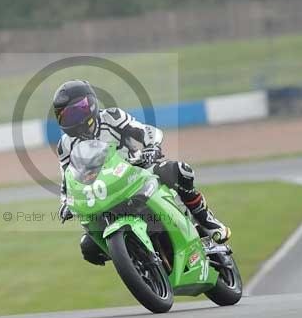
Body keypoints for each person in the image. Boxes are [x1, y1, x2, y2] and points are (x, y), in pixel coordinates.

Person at [53, 80, 230, 265]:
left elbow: (145, 131)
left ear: (91, 104)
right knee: (89, 247)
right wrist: (66, 203)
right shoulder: (65, 146)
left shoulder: (112, 117)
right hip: (102, 192)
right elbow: (68, 180)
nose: (71, 119)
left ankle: (207, 220)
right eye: (65, 116)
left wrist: (151, 147)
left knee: (179, 171)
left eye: (76, 112)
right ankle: (135, 260)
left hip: (136, 171)